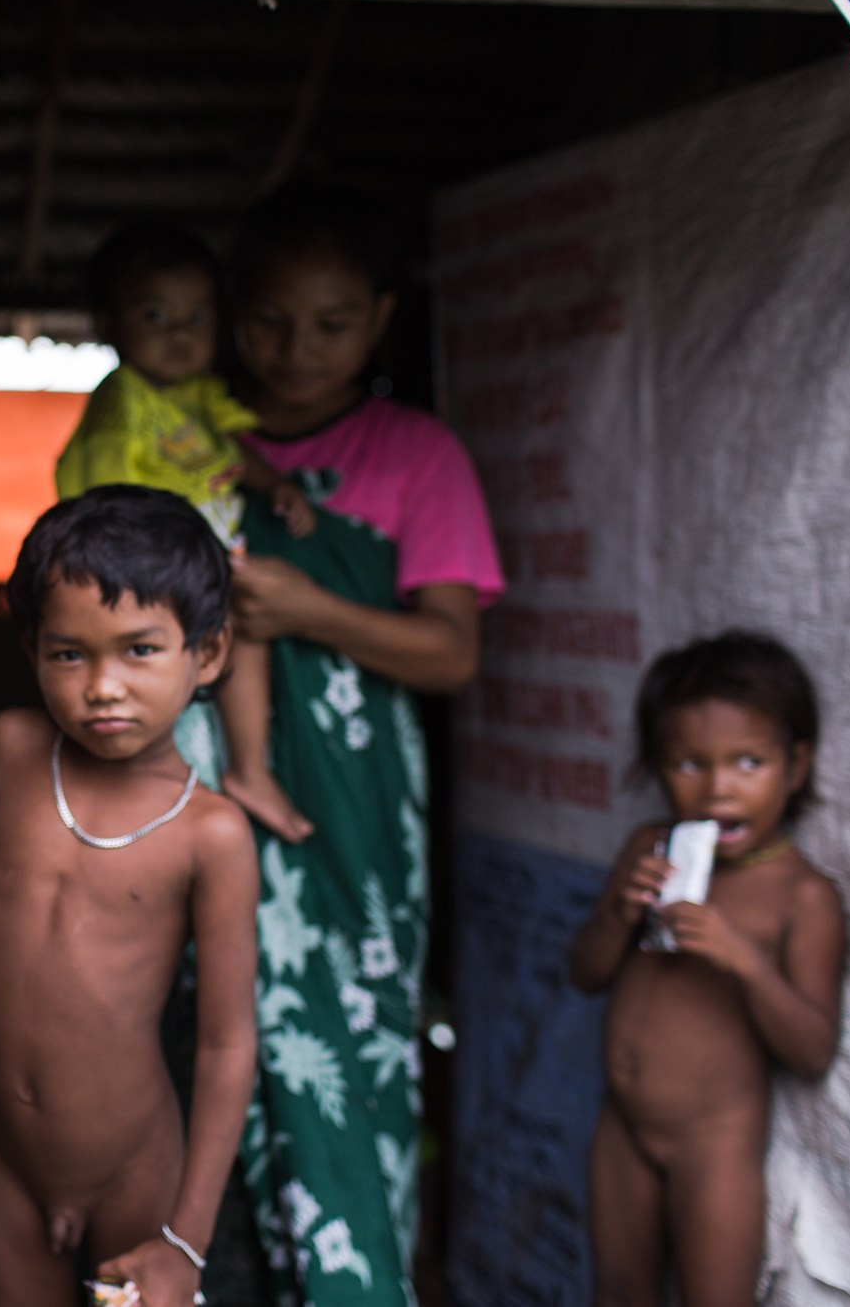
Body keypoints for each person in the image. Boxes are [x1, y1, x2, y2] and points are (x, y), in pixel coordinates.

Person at [219, 188, 504, 1305]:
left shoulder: (413, 453)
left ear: (381, 316)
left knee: (355, 1038)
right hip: (199, 783)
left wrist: (306, 610)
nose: (298, 352)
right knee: (208, 1032)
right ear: (233, 313)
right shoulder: (183, 433)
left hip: (354, 805)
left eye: (332, 323)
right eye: (271, 322)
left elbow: (449, 655)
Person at [0, 486, 261, 1307]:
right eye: (68, 653)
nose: (102, 686)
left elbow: (228, 1047)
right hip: (4, 1155)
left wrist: (183, 1241)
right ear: (30, 648)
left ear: (207, 652)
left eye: (138, 650)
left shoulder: (213, 834)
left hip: (135, 1173)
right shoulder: (11, 753)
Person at [568, 632, 844, 1307]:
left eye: (749, 761)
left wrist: (741, 958)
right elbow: (585, 972)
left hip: (714, 1145)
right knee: (617, 1293)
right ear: (659, 768)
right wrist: (620, 913)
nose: (720, 788)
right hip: (623, 1126)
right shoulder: (649, 848)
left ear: (796, 765)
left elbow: (812, 1049)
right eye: (691, 763)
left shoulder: (800, 896)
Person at [54, 222, 316, 845]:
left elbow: (233, 451)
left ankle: (248, 768)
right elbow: (106, 498)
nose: (179, 334)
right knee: (229, 632)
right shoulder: (123, 400)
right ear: (111, 324)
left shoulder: (201, 395)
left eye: (197, 318)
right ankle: (241, 772)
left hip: (211, 553)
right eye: (156, 315)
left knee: (245, 628)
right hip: (156, 562)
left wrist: (276, 485)